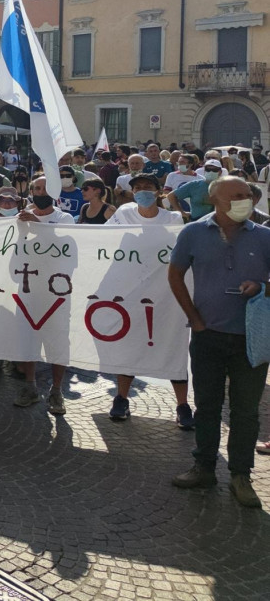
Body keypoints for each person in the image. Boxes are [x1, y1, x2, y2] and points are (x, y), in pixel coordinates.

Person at [168, 176, 270, 508]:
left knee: (245, 411)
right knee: (207, 407)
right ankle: (204, 467)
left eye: (248, 195)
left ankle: (241, 475)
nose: (246, 200)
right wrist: (194, 318)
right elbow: (175, 274)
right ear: (215, 200)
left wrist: (261, 286)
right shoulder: (193, 232)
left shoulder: (266, 236)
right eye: (237, 195)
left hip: (252, 339)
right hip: (208, 336)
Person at [105, 173, 192, 426]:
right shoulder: (123, 214)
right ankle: (121, 398)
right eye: (138, 188)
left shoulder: (173, 219)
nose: (143, 191)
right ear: (132, 192)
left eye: (148, 187)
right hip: (131, 291)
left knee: (173, 346)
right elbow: (103, 241)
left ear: (158, 191)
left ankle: (183, 405)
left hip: (165, 293)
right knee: (130, 345)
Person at [14, 177, 74, 414]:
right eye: (36, 188)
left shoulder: (63, 217)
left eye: (44, 188)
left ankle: (57, 391)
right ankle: (30, 386)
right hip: (28, 287)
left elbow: (62, 242)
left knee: (57, 340)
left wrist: (36, 222)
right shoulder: (22, 217)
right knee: (28, 338)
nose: (40, 192)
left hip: (57, 290)